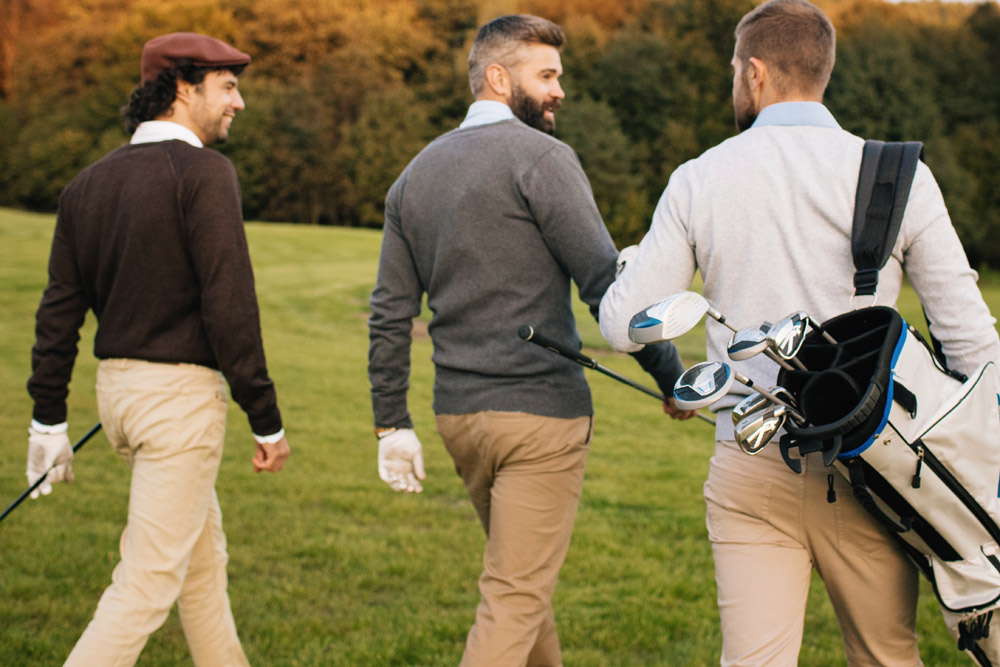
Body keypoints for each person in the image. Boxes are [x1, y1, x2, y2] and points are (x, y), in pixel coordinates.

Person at [598, 0, 1000, 664]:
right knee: (886, 657)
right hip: (880, 469)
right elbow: (973, 344)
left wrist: (636, 261)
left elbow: (622, 325)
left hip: (751, 466)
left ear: (753, 73)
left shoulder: (700, 178)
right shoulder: (900, 177)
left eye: (734, 69)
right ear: (824, 71)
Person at [367, 14, 685, 666]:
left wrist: (390, 422)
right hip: (540, 419)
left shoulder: (413, 177)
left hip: (459, 418)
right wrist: (673, 377)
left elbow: (390, 313)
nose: (559, 89)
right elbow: (607, 289)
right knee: (514, 594)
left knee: (522, 587)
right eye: (546, 75)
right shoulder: (544, 159)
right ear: (496, 76)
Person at [26, 32, 290, 666]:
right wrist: (267, 420)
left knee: (202, 569)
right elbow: (231, 307)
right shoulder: (205, 173)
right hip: (176, 409)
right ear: (181, 88)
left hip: (118, 400)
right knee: (144, 587)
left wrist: (47, 421)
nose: (240, 101)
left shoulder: (87, 184)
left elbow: (59, 314)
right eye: (227, 87)